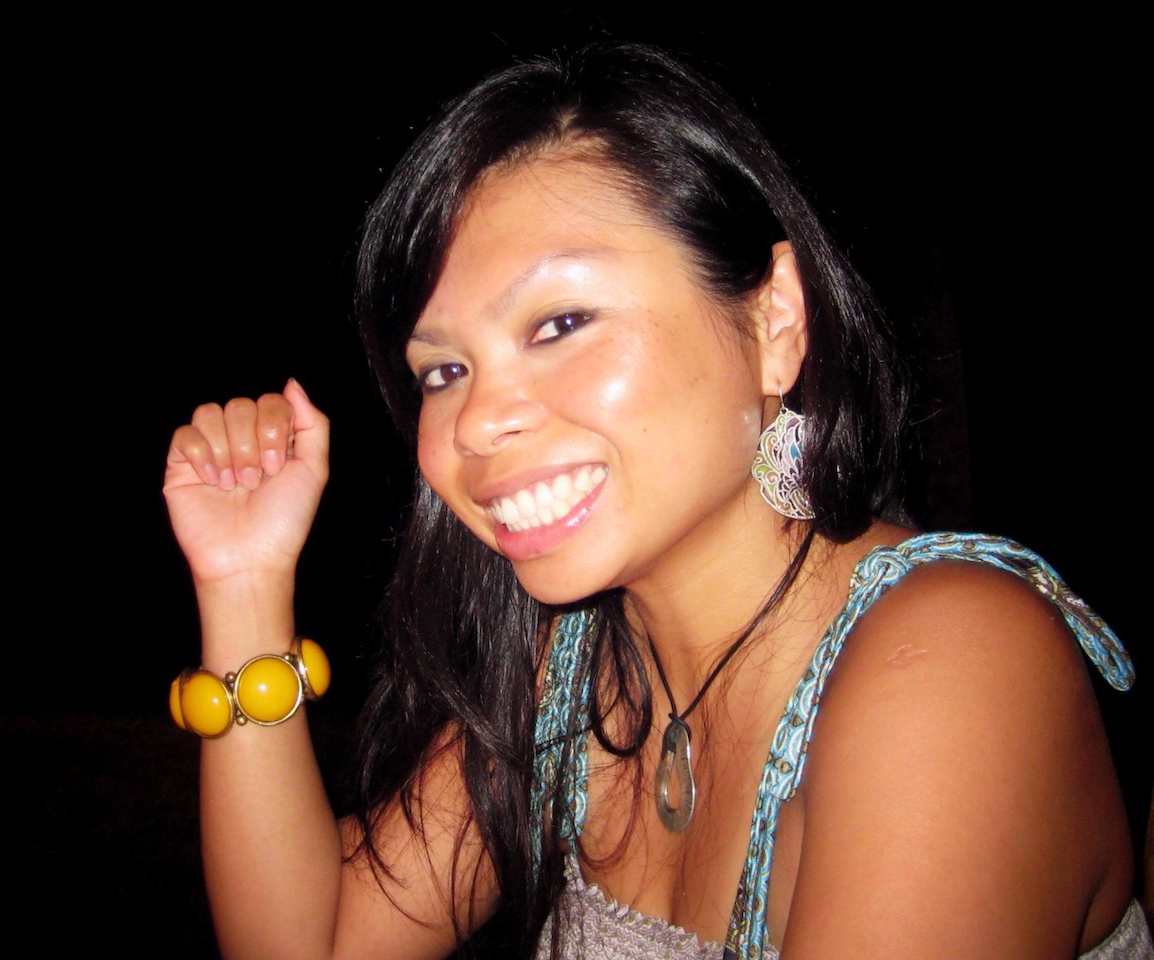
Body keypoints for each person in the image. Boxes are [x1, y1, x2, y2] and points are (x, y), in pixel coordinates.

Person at [163, 42, 1151, 959]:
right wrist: (242, 583)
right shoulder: (584, 682)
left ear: (774, 321)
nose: (476, 423)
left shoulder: (950, 663)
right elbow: (316, 943)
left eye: (560, 322)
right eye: (444, 370)